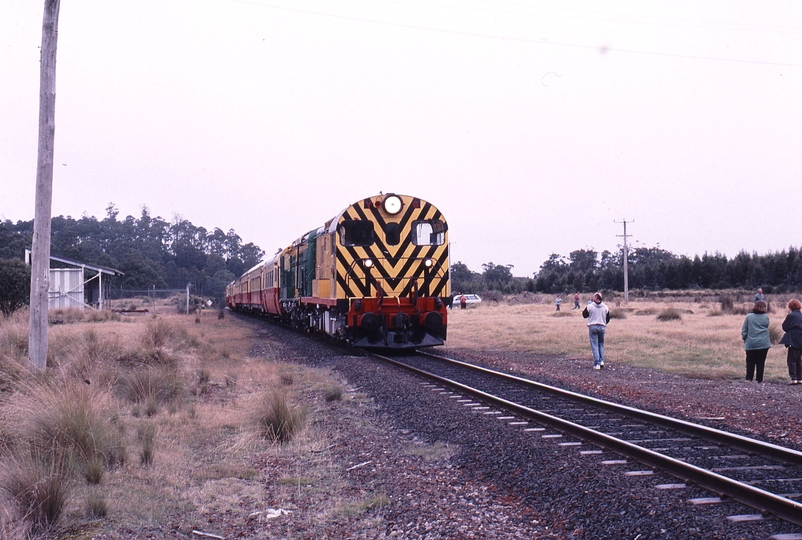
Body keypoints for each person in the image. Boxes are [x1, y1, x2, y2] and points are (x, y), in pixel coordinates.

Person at [741, 301, 770, 383]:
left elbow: (744, 329)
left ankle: (749, 378)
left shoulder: (748, 317)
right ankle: (759, 379)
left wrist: (745, 338)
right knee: (761, 362)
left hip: (751, 342)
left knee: (750, 361)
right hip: (764, 343)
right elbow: (767, 326)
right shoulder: (766, 317)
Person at [582, 292, 610, 370]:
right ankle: (601, 360)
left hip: (593, 326)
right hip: (602, 326)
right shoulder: (605, 307)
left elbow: (584, 315)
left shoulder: (590, 306)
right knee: (601, 344)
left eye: (594, 296)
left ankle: (596, 363)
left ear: (596, 298)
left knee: (594, 345)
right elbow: (607, 319)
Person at [779, 299, 802, 384]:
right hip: (801, 339)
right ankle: (800, 378)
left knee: (791, 359)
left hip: (793, 339)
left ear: (791, 306)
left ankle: (794, 378)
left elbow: (784, 327)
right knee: (799, 359)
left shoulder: (791, 316)